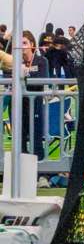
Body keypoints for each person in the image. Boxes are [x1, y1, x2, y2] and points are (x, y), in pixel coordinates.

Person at [2, 31, 49, 160]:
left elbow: (43, 78)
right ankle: (20, 173)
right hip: (17, 106)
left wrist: (25, 73)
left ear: (32, 44)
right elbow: (6, 75)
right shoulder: (13, 61)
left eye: (24, 43)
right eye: (19, 43)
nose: (22, 46)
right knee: (18, 142)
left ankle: (40, 173)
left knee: (36, 141)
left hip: (35, 106)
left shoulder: (41, 60)